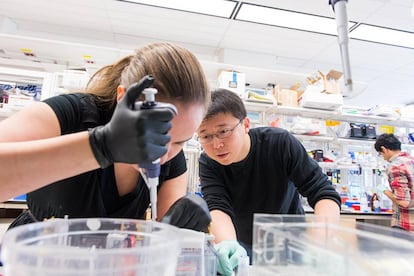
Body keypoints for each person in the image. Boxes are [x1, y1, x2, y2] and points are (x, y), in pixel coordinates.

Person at [0, 42, 210, 227]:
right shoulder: (71, 113)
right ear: (123, 97)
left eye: (180, 142)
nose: (162, 155)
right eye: (155, 133)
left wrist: (183, 229)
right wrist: (99, 146)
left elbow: (165, 233)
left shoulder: (173, 161)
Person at [197, 89, 341, 275]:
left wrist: (321, 239)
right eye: (206, 136)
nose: (216, 145)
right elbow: (217, 206)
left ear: (246, 124)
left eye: (224, 131)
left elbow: (322, 192)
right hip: (240, 242)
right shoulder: (208, 162)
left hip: (289, 243)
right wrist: (228, 245)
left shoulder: (279, 143)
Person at [374, 133, 414, 232]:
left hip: (406, 225)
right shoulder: (411, 160)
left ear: (384, 149)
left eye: (381, 153)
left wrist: (384, 190)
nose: (382, 157)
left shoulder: (395, 167)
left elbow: (403, 202)